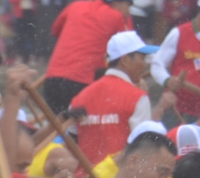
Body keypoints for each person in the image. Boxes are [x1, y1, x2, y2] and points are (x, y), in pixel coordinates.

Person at [69, 30, 162, 166]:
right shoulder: (138, 97)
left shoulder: (79, 98)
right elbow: (144, 150)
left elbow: (70, 142)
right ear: (125, 60)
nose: (145, 64)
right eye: (141, 58)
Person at [41, 0, 135, 114]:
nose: (129, 11)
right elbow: (128, 48)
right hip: (81, 85)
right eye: (128, 5)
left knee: (59, 129)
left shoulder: (75, 5)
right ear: (115, 2)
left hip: (52, 82)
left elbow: (55, 31)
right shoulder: (115, 16)